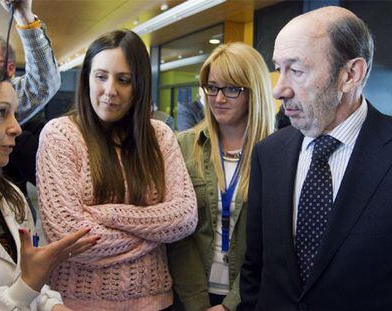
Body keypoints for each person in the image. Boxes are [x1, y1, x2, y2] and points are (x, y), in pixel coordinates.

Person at [240, 6, 392, 310]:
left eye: (296, 71)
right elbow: (255, 268)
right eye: (278, 69)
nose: (278, 89)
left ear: (350, 74)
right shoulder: (268, 154)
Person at [36, 29, 198, 310]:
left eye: (123, 80)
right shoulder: (60, 134)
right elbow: (67, 235)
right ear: (86, 77)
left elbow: (184, 218)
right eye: (101, 76)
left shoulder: (159, 136)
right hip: (74, 303)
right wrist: (154, 231)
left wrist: (103, 215)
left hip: (154, 301)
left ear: (139, 85)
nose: (110, 90)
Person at [0, 62, 98, 310]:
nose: (16, 128)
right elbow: (25, 284)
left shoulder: (11, 198)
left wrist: (52, 305)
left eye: (14, 114)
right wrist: (27, 286)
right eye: (1, 112)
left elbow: (25, 279)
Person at [168, 42, 275, 311]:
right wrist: (198, 303)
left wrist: (230, 305)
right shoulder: (183, 146)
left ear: (254, 92)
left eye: (231, 89)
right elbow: (176, 236)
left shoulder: (277, 153)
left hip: (250, 297)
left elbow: (273, 244)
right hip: (190, 294)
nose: (218, 98)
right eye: (212, 87)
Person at [0, 0, 61, 221]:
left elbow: (43, 84)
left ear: (10, 69)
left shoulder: (2, 93)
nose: (14, 127)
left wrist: (24, 15)